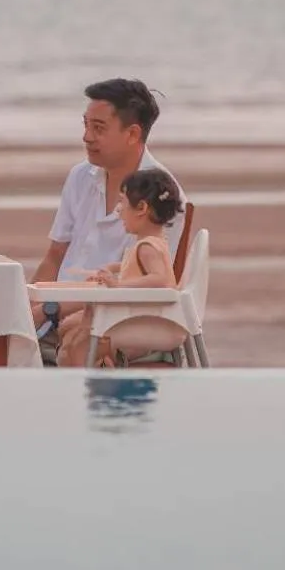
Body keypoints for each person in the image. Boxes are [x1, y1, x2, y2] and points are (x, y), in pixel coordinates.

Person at [30, 78, 187, 364]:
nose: (86, 137)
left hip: (113, 319)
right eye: (85, 125)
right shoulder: (80, 176)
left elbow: (149, 286)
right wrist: (27, 310)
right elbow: (54, 256)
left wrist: (51, 310)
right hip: (56, 314)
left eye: (98, 128)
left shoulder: (161, 198)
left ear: (132, 134)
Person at [55, 168, 183, 367]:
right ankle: (98, 364)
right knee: (68, 328)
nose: (119, 210)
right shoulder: (147, 244)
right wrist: (112, 268)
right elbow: (134, 266)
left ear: (141, 208)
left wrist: (118, 285)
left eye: (122, 202)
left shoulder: (148, 247)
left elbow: (159, 279)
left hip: (139, 321)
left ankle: (91, 374)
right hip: (132, 316)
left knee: (77, 344)